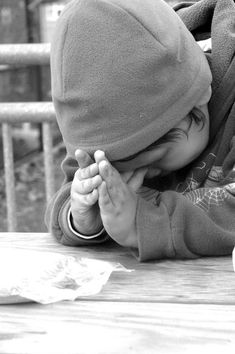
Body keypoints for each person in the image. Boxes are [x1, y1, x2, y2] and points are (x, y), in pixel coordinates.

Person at [46, 0, 235, 261]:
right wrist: (85, 217)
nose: (143, 173)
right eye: (123, 165)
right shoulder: (111, 135)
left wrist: (144, 223)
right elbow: (73, 185)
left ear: (201, 94)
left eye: (157, 161)